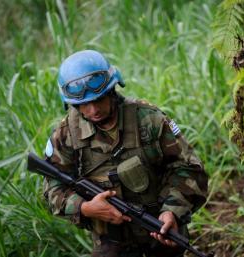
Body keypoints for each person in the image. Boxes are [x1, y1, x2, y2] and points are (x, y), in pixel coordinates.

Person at [43, 49, 208, 257]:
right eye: (83, 104)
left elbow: (189, 169)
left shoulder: (148, 119)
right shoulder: (66, 135)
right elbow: (52, 189)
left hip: (161, 227)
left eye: (99, 99)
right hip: (111, 240)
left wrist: (171, 211)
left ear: (112, 89)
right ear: (72, 104)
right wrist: (85, 207)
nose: (93, 110)